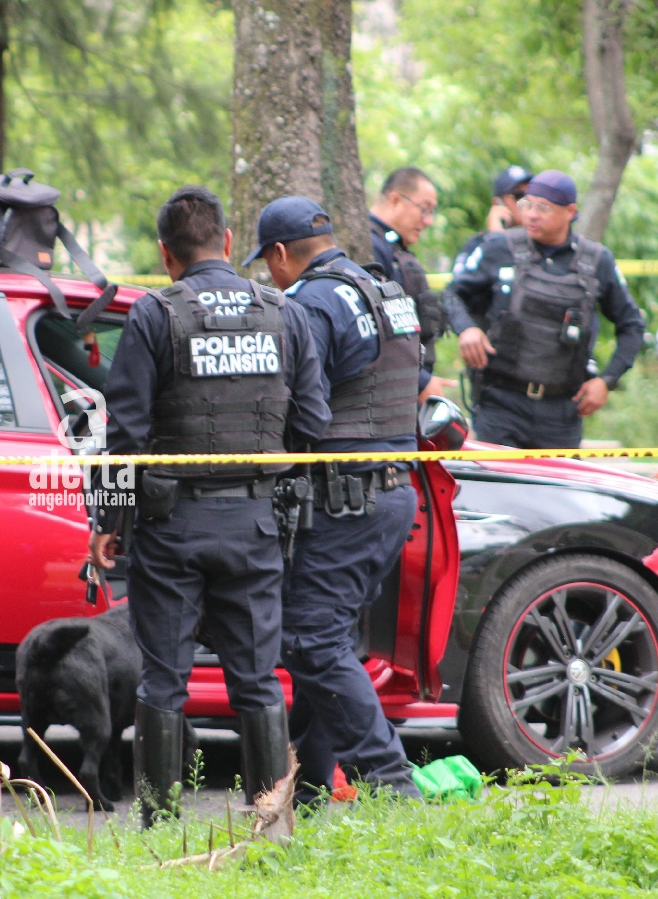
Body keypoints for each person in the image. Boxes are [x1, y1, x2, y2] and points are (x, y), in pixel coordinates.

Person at [87, 186, 331, 820]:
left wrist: (109, 523)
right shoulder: (284, 311)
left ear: (166, 255)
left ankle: (161, 825)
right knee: (255, 679)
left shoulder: (153, 313)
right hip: (255, 524)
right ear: (227, 243)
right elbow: (312, 420)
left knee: (163, 679)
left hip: (171, 529)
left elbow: (128, 435)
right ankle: (269, 822)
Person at [246, 196, 423, 803]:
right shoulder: (383, 288)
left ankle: (394, 787)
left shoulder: (311, 302)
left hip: (349, 500)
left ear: (279, 253)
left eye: (267, 263)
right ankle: (312, 784)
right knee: (328, 640)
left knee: (311, 639)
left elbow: (299, 404)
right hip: (391, 492)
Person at [446, 170, 645, 448]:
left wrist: (607, 380)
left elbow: (632, 325)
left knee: (553, 492)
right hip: (501, 405)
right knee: (497, 490)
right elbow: (452, 294)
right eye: (527, 204)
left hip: (561, 412)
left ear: (570, 211)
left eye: (544, 208)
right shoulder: (499, 247)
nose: (532, 214)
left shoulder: (596, 261)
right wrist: (466, 328)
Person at [445, 165, 533, 408]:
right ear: (499, 203)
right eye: (517, 196)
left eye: (531, 195)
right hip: (494, 377)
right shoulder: (479, 246)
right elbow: (454, 296)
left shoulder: (546, 247)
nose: (525, 202)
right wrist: (498, 240)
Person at [369, 167, 443, 394]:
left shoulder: (395, 248)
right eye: (424, 209)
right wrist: (422, 383)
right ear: (395, 200)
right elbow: (375, 330)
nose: (428, 221)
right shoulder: (371, 245)